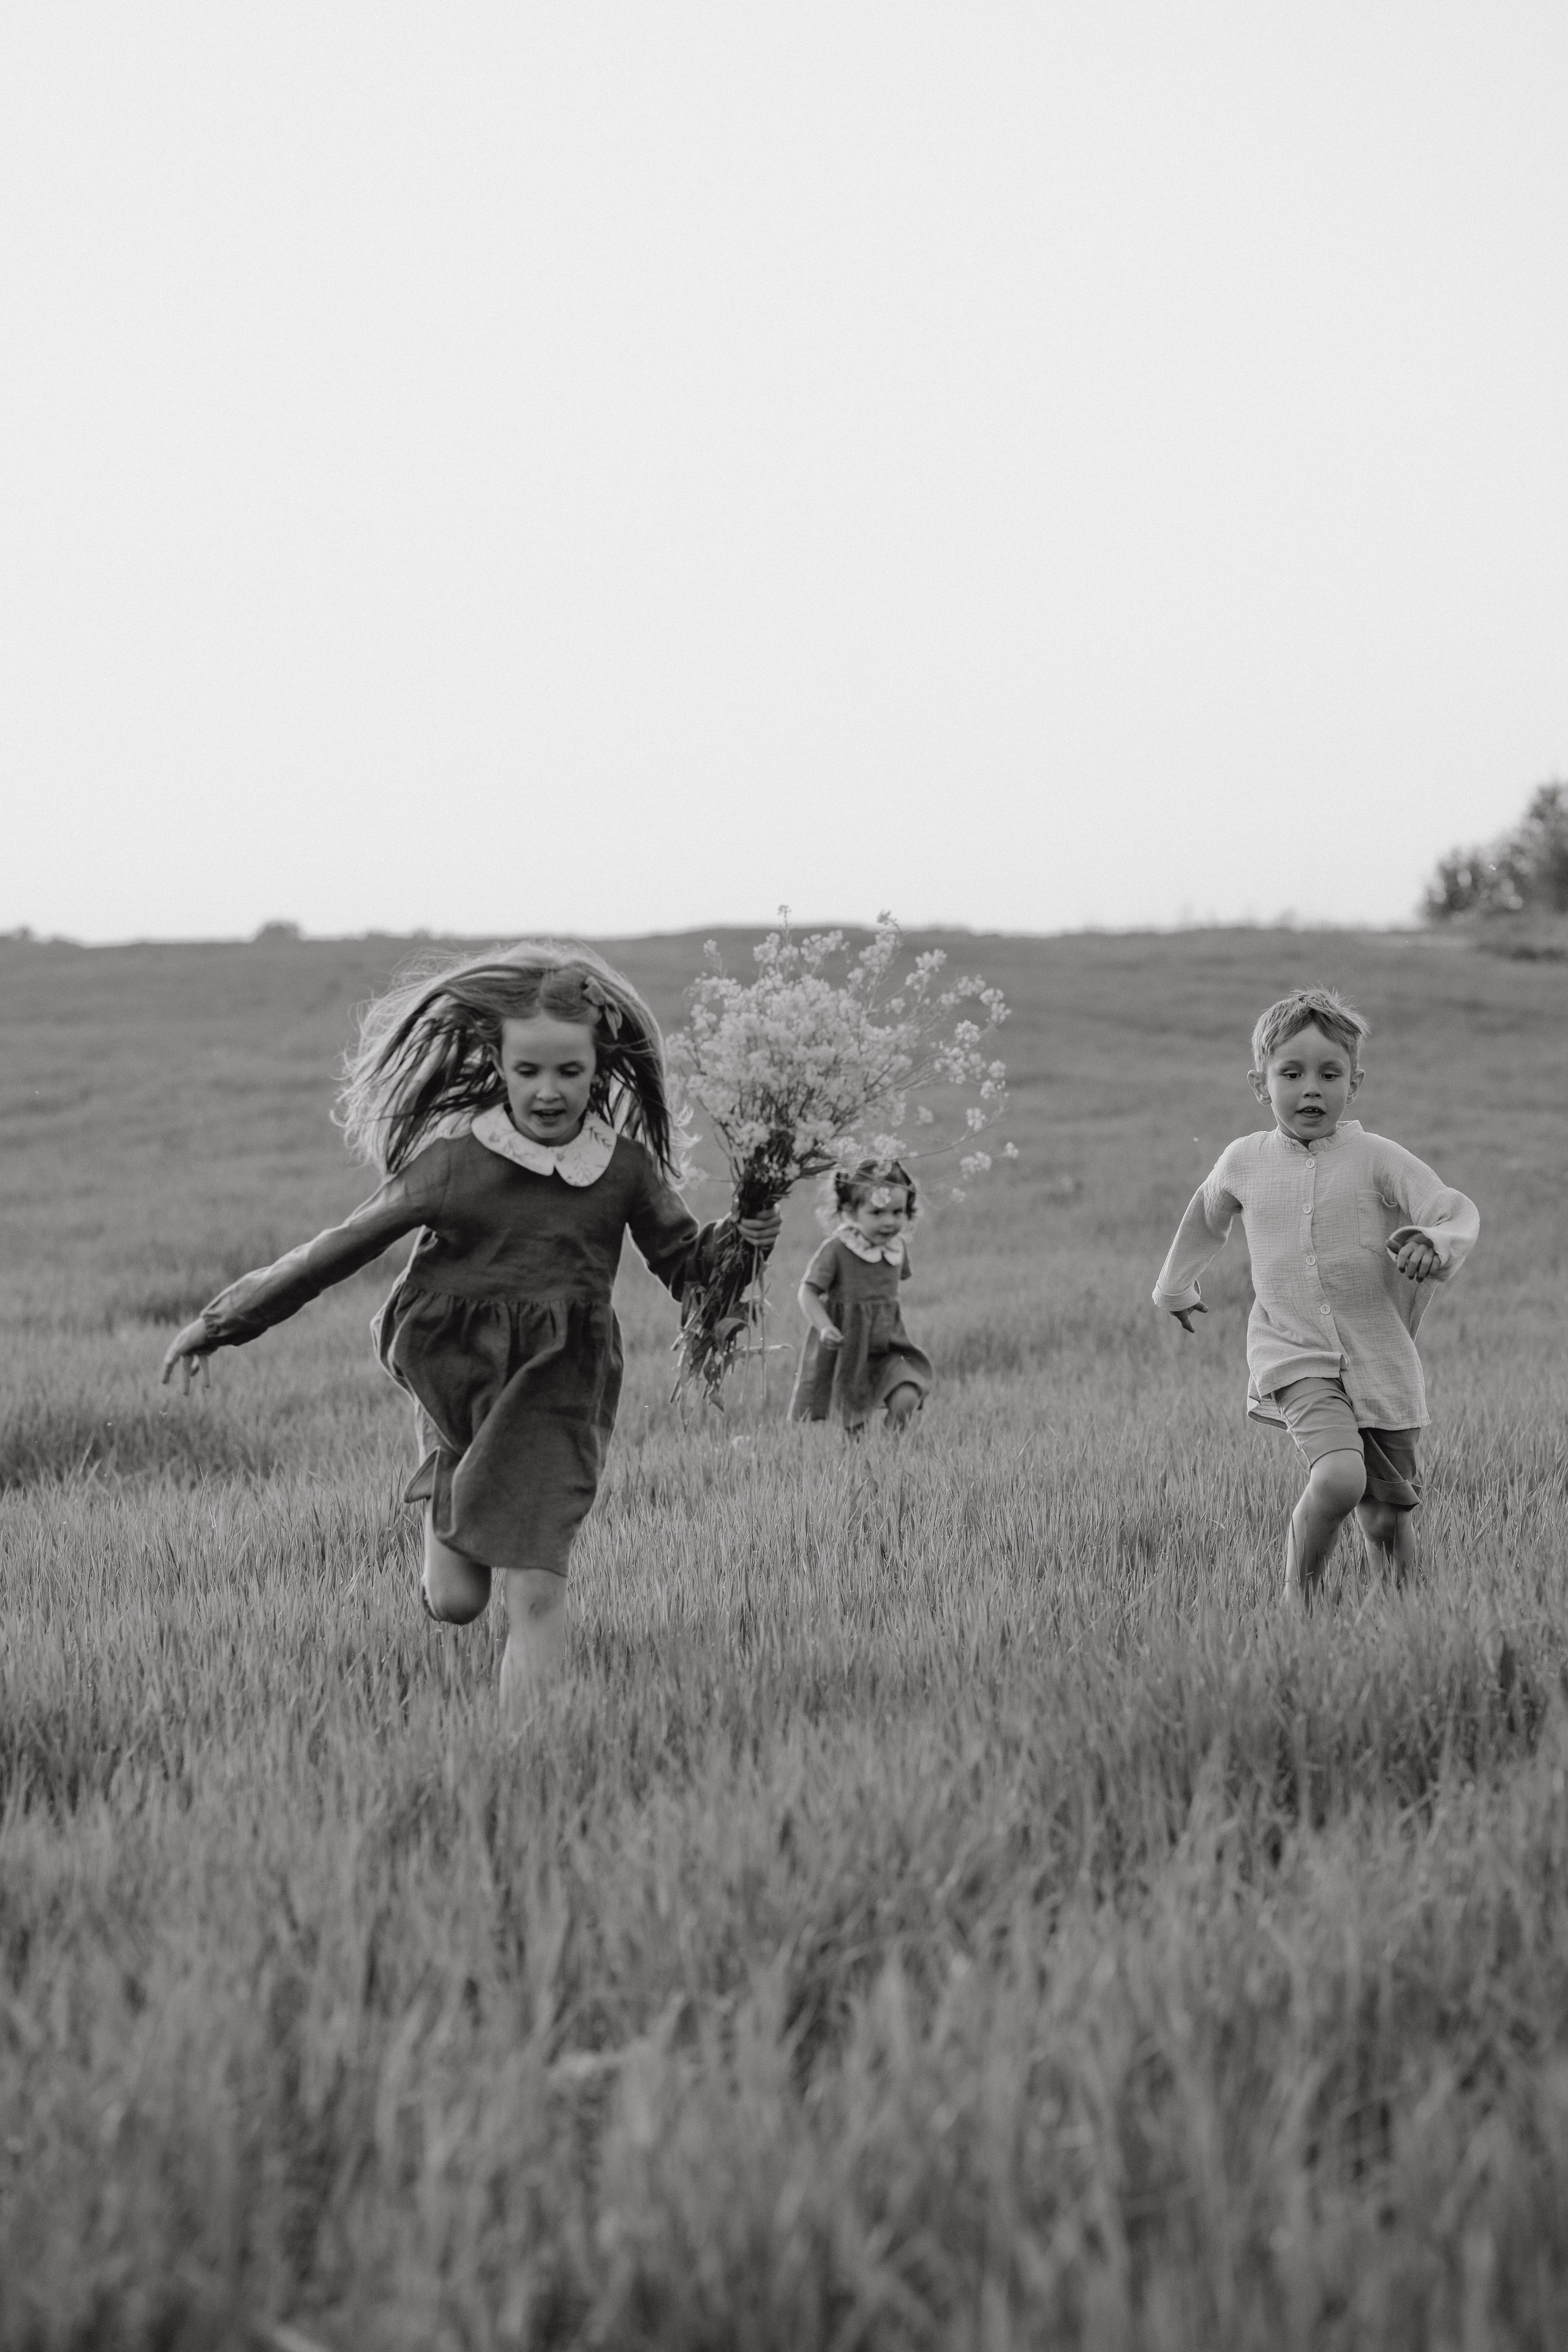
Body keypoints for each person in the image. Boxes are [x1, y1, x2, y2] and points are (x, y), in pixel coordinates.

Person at [162, 943, 780, 1716]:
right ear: (497, 1060)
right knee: (456, 1602)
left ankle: (526, 1762)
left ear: (600, 1066)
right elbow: (336, 1249)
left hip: (561, 1387)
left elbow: (689, 1268)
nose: (549, 1092)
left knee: (537, 1593)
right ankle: (449, 1478)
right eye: (528, 1072)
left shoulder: (622, 1168)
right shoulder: (456, 1161)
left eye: (569, 1071)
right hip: (454, 1373)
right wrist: (221, 1323)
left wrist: (744, 1241)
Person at [1152, 986, 1479, 1604]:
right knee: (1337, 1477)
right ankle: (1296, 1605)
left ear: (1355, 1082)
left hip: (1380, 1362)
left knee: (1386, 1518)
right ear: (1259, 1084)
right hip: (1292, 1353)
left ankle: (1410, 1622)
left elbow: (1450, 1208)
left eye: (1330, 1074)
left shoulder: (1376, 1157)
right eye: (1291, 1073)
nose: (1311, 1089)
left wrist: (1434, 1242)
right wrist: (1173, 1285)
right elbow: (1205, 1214)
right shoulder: (1243, 1160)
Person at [788, 1159, 933, 1433]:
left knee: (908, 1394)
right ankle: (861, 1460)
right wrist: (825, 1326)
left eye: (897, 1212)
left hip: (890, 1346)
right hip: (850, 1346)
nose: (889, 1222)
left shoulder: (896, 1248)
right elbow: (808, 1291)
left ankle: (892, 1449)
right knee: (855, 1420)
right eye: (877, 1213)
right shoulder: (838, 1250)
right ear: (850, 1211)